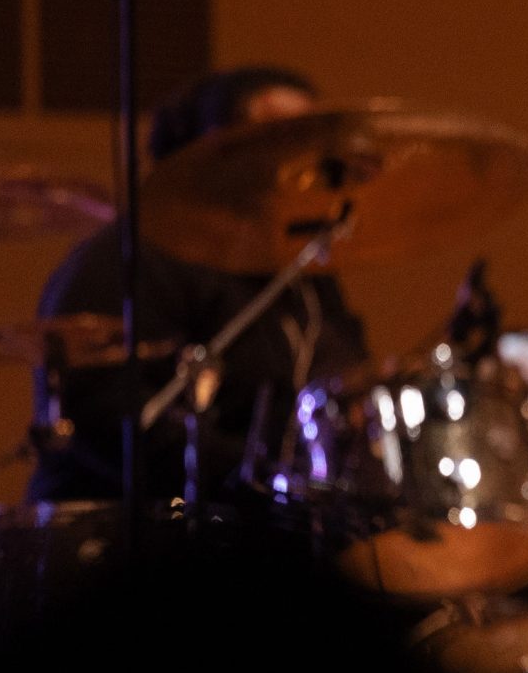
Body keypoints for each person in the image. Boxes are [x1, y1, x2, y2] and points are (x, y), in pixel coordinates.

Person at [26, 66, 369, 504]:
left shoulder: (302, 268)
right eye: (278, 140)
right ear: (209, 153)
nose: (298, 160)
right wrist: (264, 481)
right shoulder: (131, 258)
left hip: (267, 536)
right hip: (145, 545)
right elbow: (103, 415)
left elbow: (342, 384)